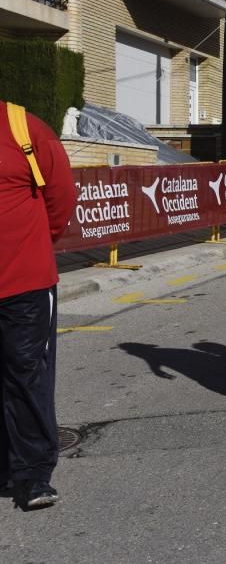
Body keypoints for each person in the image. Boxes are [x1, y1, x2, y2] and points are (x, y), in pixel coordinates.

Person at [1, 101, 75, 509]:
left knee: (26, 375)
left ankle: (31, 475)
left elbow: (61, 197)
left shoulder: (22, 126)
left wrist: (31, 246)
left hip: (24, 284)